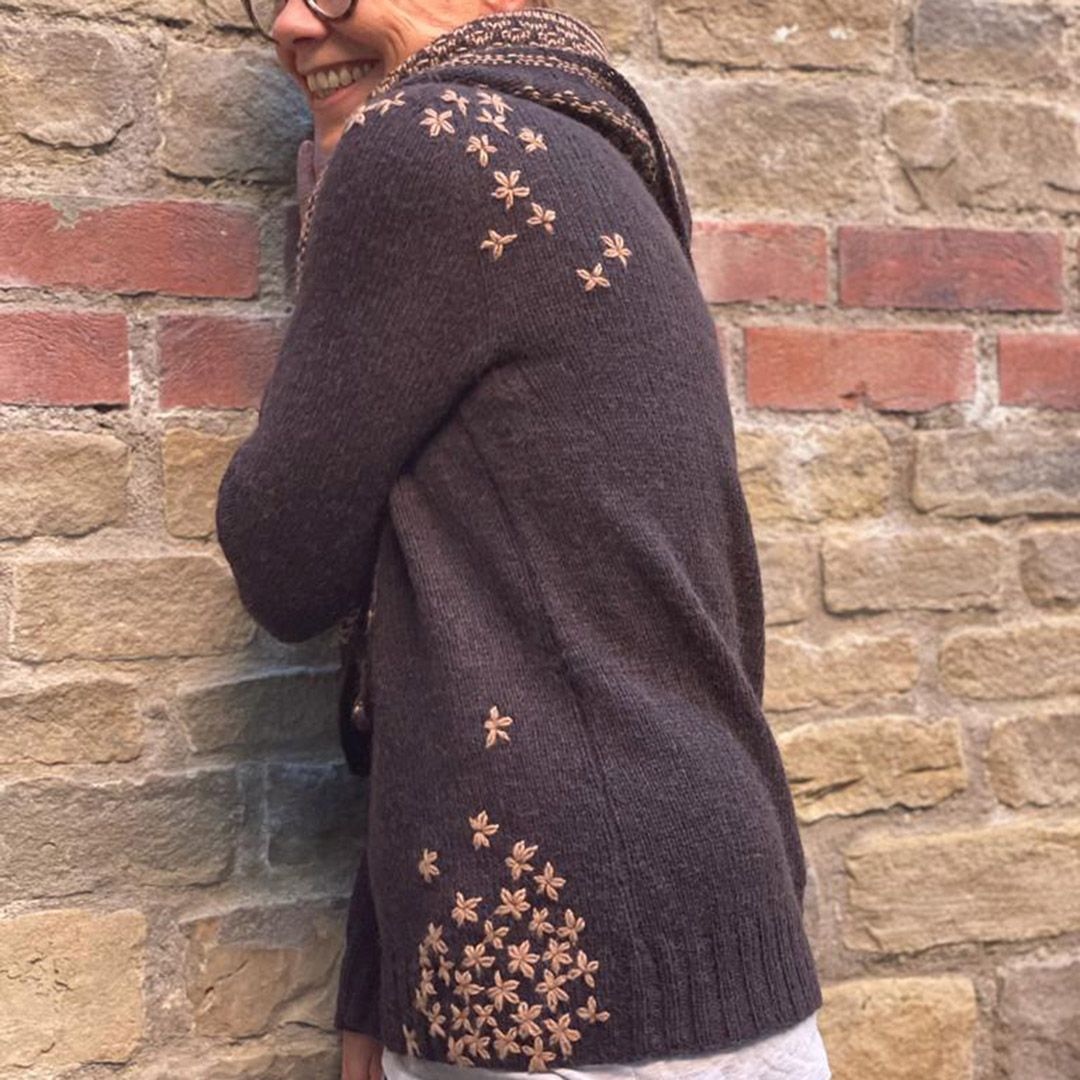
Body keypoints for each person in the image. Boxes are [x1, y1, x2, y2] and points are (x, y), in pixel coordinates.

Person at [217, 1, 832, 1079]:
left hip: (559, 977)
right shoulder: (604, 149)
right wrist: (379, 970)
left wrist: (336, 210)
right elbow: (500, 617)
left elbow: (284, 556)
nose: (293, 25)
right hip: (715, 922)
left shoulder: (425, 140)